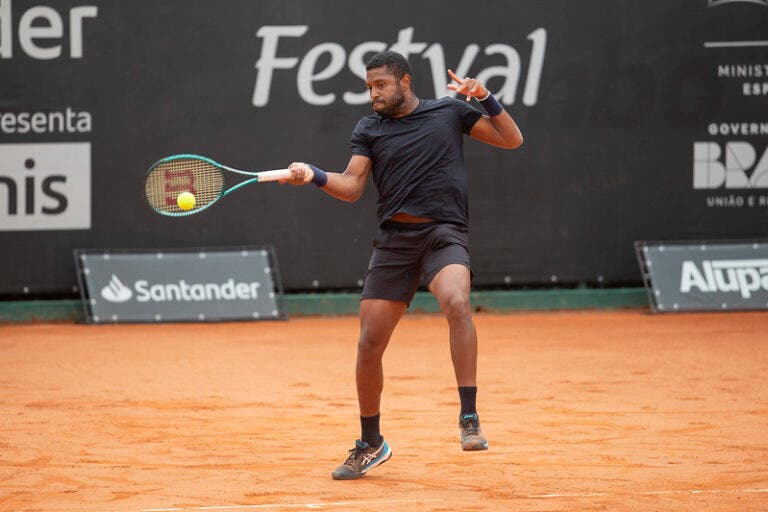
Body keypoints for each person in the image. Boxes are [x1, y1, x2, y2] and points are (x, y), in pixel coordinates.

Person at [282, 51, 523, 480]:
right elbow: (353, 185)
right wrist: (314, 174)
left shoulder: (450, 112)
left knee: (456, 301)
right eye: (368, 87)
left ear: (404, 82)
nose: (373, 94)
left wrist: (484, 96)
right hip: (395, 241)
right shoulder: (369, 129)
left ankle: (468, 416)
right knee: (369, 342)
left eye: (380, 85)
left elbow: (511, 139)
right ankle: (371, 442)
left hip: (442, 233)